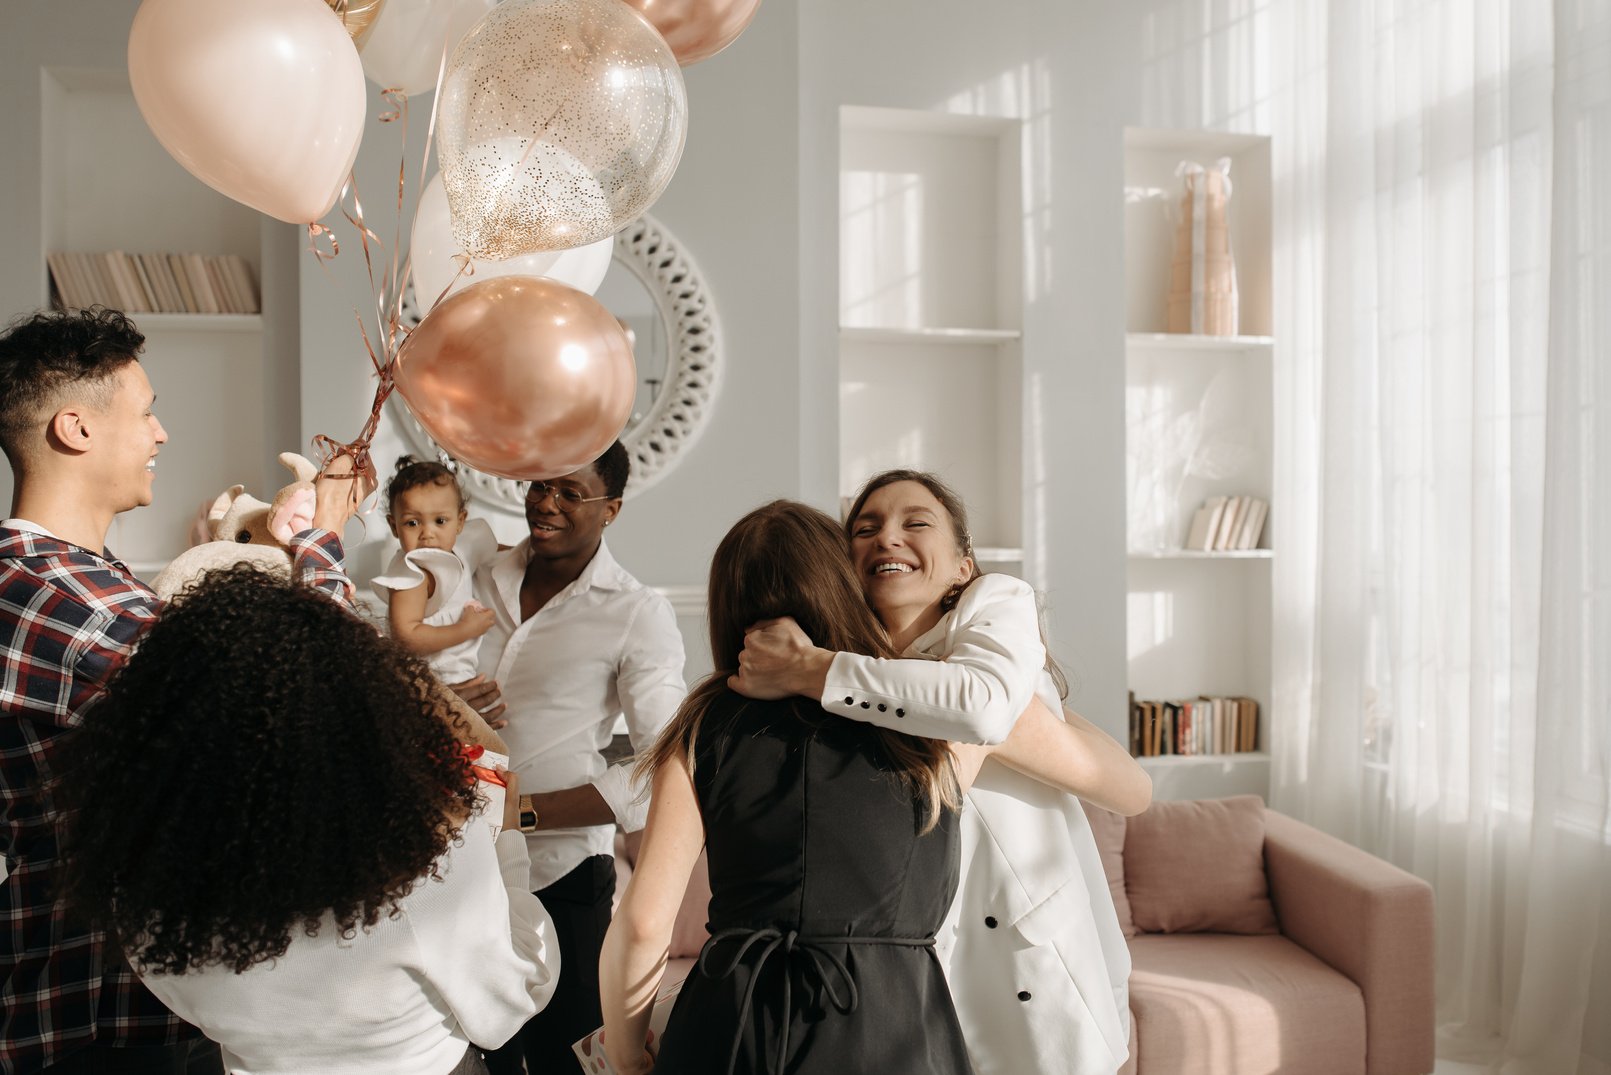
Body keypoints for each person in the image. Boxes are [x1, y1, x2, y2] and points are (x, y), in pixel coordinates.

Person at [599, 500, 1129, 1075]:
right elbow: (1111, 775)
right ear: (842, 585)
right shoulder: (934, 722)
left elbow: (644, 922)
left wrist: (626, 1056)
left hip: (731, 1015)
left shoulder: (704, 724)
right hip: (891, 1021)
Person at [0, 306, 368, 1075]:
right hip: (103, 1013)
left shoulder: (84, 585)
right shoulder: (51, 594)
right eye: (146, 411)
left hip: (130, 1006)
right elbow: (298, 704)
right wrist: (325, 540)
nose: (161, 434)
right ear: (76, 427)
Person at [55, 567, 560, 1075]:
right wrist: (508, 842)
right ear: (366, 716)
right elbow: (512, 1000)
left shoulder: (144, 879)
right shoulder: (425, 863)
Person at [731, 470, 1151, 1075]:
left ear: (962, 566)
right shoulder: (849, 676)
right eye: (865, 528)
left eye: (916, 523)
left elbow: (980, 705)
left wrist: (812, 669)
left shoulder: (995, 608)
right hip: (910, 966)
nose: (887, 538)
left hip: (1035, 964)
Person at [456, 441, 686, 1075]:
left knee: (569, 1062)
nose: (546, 504)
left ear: (610, 509)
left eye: (570, 492)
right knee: (479, 1057)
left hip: (564, 877)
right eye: (539, 486)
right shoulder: (474, 575)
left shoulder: (637, 613)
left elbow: (667, 765)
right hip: (456, 872)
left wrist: (519, 815)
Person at [372, 456, 499, 684]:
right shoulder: (413, 572)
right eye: (412, 523)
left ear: (460, 521)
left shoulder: (465, 544)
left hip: (462, 672)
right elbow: (406, 638)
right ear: (394, 526)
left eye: (440, 521)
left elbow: (499, 549)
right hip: (430, 681)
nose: (427, 533)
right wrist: (465, 629)